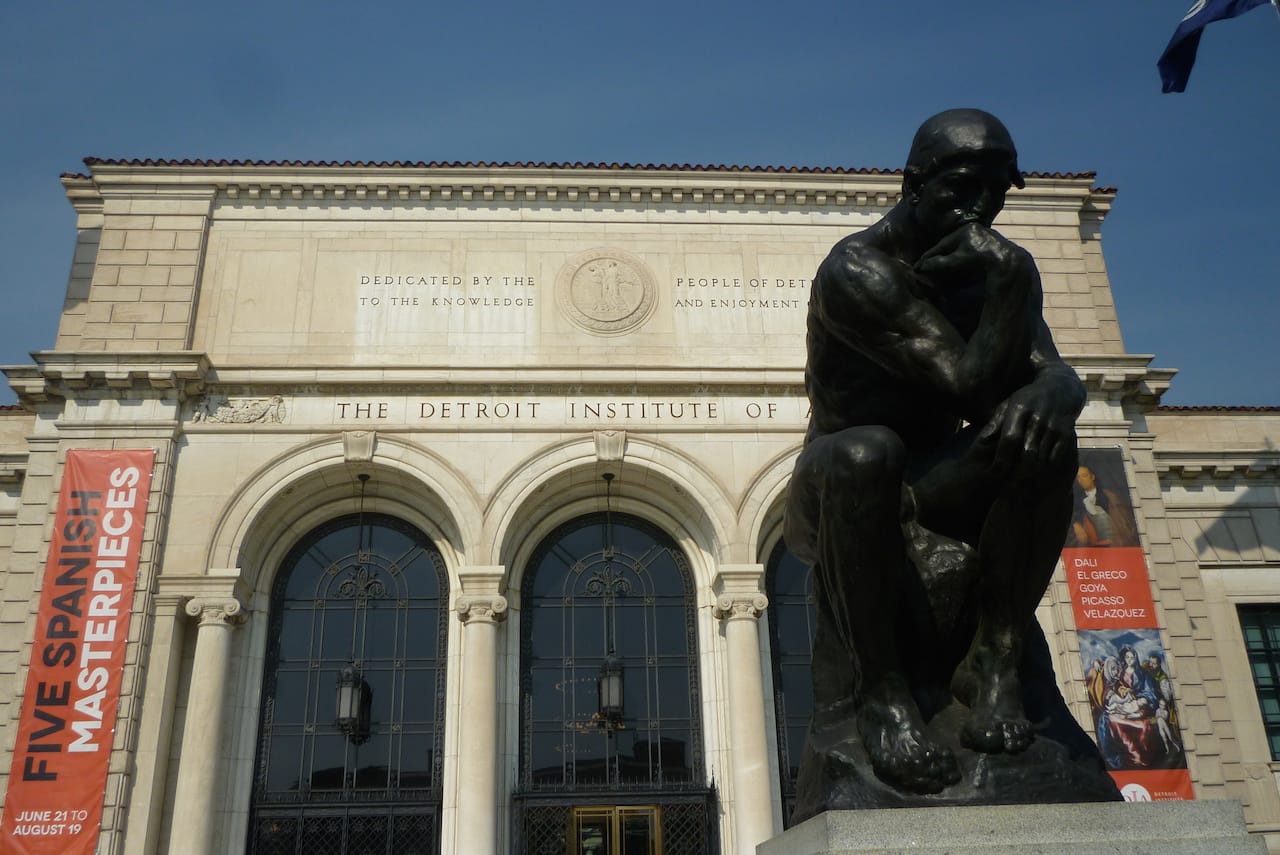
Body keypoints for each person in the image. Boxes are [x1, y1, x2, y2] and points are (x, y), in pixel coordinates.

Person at [785, 109, 1087, 795]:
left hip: (932, 477)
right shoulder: (857, 270)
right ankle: (882, 697)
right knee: (869, 451)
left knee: (1044, 439)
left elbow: (1054, 373)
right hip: (838, 484)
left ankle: (996, 658)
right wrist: (1012, 279)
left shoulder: (985, 267)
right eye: (960, 187)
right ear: (912, 182)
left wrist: (1057, 395)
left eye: (996, 189)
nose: (979, 207)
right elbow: (971, 385)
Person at [1069, 464, 1139, 547]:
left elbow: (1123, 522)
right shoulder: (1076, 500)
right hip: (1089, 547)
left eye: (1084, 476)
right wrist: (1075, 524)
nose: (1081, 480)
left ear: (1092, 477)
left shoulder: (1109, 496)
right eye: (1078, 477)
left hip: (1113, 544)